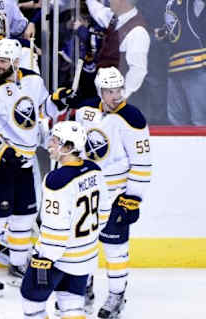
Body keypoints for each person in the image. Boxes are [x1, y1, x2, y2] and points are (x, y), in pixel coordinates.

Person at [45, 66, 152, 318]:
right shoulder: (85, 110)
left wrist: (132, 199)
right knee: (84, 244)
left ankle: (116, 296)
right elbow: (70, 140)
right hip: (88, 190)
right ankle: (84, 287)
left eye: (118, 90)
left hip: (116, 194)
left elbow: (142, 163)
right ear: (100, 91)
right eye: (109, 91)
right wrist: (65, 106)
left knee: (115, 249)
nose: (115, 96)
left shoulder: (133, 119)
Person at [0, 38, 48, 296]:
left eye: (3, 61)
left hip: (26, 162)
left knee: (25, 217)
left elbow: (43, 110)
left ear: (16, 62)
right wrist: (1, 152)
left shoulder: (34, 81)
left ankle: (17, 264)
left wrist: (60, 100)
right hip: (1, 165)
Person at [21, 121, 111, 319]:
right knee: (71, 305)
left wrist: (43, 258)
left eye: (55, 140)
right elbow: (104, 210)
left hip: (58, 256)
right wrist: (86, 240)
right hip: (86, 255)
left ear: (69, 147)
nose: (50, 144)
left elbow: (56, 228)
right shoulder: (94, 169)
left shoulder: (57, 180)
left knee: (31, 300)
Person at [154, 0, 206, 125]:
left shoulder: (193, 3)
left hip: (196, 66)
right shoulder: (168, 3)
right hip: (174, 68)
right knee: (177, 123)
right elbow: (174, 29)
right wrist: (162, 34)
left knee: (200, 121)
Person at [86, 0, 150, 100]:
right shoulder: (115, 18)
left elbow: (138, 70)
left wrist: (120, 97)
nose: (109, 0)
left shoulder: (138, 31)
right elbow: (98, 11)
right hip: (104, 95)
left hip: (119, 101)